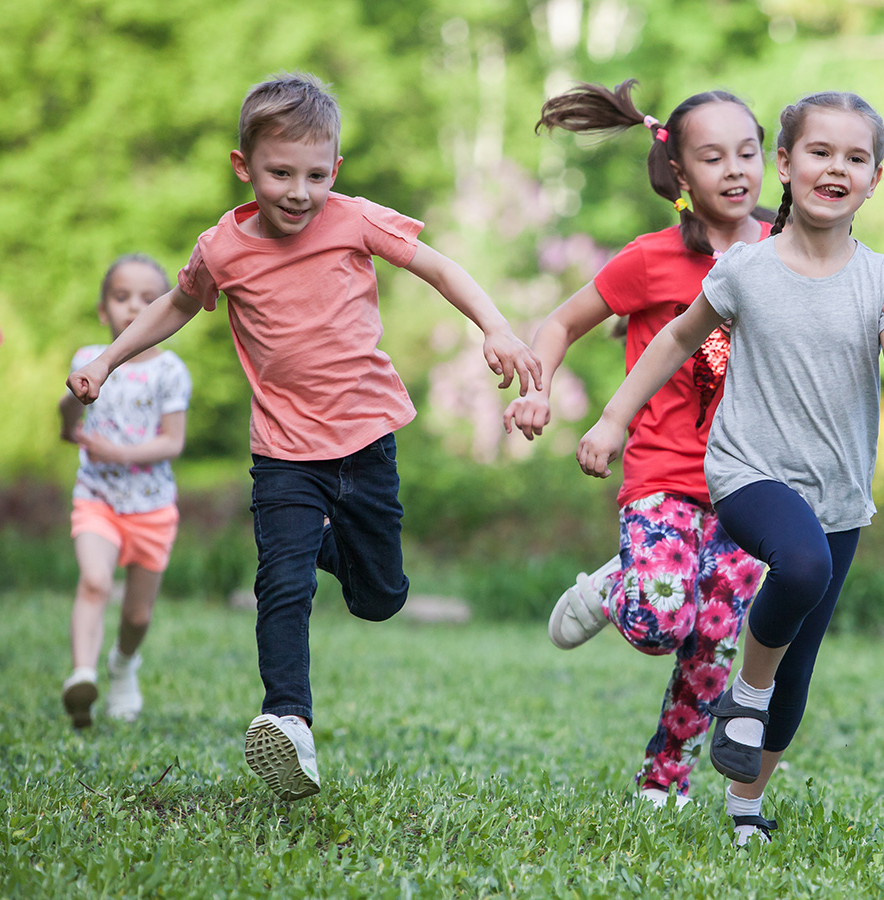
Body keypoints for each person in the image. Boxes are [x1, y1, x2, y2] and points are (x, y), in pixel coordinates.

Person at [66, 73, 541, 799]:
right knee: (280, 586)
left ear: (336, 171)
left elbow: (439, 266)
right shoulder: (222, 247)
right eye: (280, 173)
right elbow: (175, 305)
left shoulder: (353, 219)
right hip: (284, 455)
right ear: (244, 167)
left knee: (380, 597)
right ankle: (288, 722)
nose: (298, 191)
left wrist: (497, 326)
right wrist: (105, 359)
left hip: (366, 443)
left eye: (316, 175)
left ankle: (322, 542)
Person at [577, 91, 884, 845]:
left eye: (855, 157)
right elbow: (674, 342)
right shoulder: (746, 268)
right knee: (797, 567)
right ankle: (744, 691)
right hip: (747, 474)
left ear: (876, 178)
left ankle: (745, 806)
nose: (836, 167)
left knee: (798, 669)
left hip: (839, 495)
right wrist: (613, 419)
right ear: (786, 163)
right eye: (819, 152)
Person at [505, 80, 770, 808]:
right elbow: (559, 323)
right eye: (714, 158)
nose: (736, 170)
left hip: (753, 486)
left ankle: (665, 781)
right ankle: (614, 586)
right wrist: (539, 391)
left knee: (713, 645)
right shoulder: (651, 259)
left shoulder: (787, 252)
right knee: (659, 619)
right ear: (682, 176)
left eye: (748, 152)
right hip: (662, 473)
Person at [59, 255, 191, 728]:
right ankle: (81, 675)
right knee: (94, 581)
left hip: (152, 509)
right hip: (97, 498)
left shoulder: (170, 371)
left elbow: (172, 442)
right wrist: (69, 408)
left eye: (146, 298)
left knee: (137, 615)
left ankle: (122, 665)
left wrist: (118, 452)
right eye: (121, 297)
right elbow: (68, 420)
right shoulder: (86, 360)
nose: (133, 306)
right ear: (103, 309)